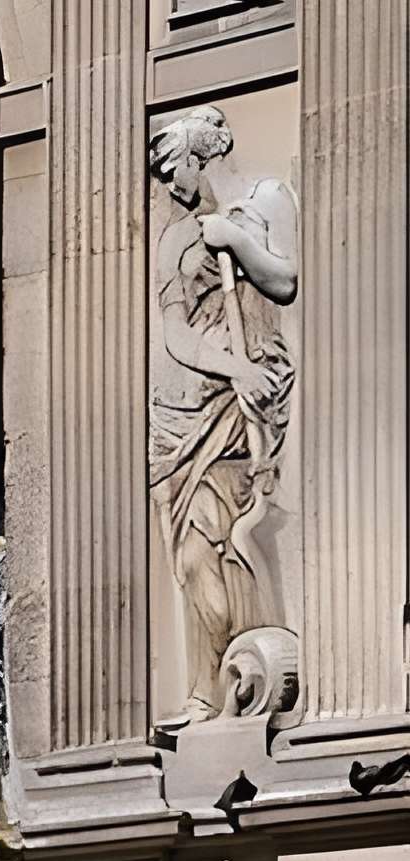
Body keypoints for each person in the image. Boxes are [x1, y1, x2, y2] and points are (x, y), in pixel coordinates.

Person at [149, 105, 298, 727]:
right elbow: (176, 334)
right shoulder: (175, 237)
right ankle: (207, 687)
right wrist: (231, 367)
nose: (168, 185)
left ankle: (223, 688)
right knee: (187, 558)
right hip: (180, 414)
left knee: (223, 540)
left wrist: (235, 239)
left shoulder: (266, 198)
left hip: (237, 410)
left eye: (172, 168)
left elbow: (285, 281)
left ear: (202, 155)